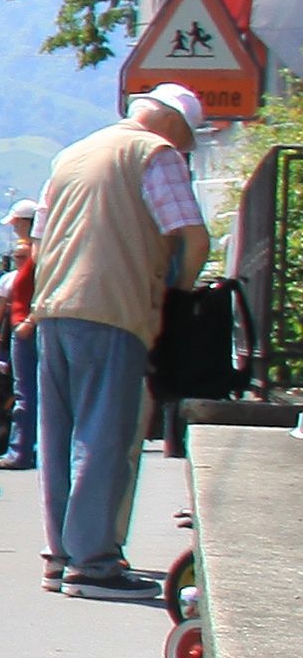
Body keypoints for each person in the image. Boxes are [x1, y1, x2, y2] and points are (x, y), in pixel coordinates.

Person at [30, 85, 211, 592]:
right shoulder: (155, 153)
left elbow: (39, 241)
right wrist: (175, 294)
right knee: (104, 437)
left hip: (54, 307)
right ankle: (94, 562)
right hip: (115, 307)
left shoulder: (71, 155)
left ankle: (59, 554)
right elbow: (193, 237)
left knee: (59, 436)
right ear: (175, 126)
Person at [0, 199, 42, 470]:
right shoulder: (36, 251)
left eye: (16, 222)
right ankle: (27, 449)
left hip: (29, 326)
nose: (14, 228)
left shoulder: (38, 253)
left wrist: (30, 319)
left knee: (25, 393)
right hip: (26, 324)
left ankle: (21, 450)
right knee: (30, 392)